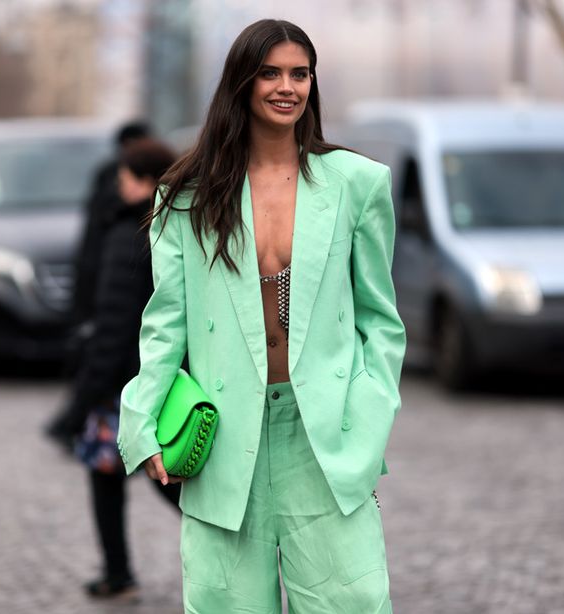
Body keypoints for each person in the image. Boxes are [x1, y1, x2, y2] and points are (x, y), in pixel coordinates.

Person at [117, 19, 406, 612]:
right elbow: (165, 321)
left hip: (323, 434)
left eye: (300, 74)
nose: (287, 87)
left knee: (353, 602)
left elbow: (381, 318)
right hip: (225, 435)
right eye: (271, 72)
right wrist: (142, 419)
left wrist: (371, 410)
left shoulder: (358, 183)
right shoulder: (188, 195)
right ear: (242, 82)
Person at [66, 138, 182, 599]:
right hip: (164, 377)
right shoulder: (181, 224)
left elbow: (114, 321)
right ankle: (117, 572)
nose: (118, 187)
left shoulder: (125, 233)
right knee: (150, 475)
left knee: (143, 475)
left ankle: (118, 574)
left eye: (125, 179)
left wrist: (85, 395)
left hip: (124, 385)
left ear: (146, 183)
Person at [46, 121, 151, 445]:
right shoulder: (162, 220)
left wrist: (76, 411)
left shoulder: (127, 230)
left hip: (127, 372)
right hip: (140, 365)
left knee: (117, 470)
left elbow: (113, 327)